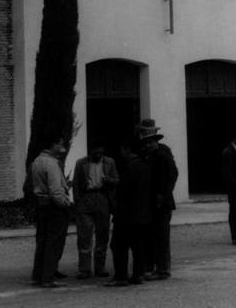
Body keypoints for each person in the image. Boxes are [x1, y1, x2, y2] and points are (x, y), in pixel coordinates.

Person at [136, 119, 179, 280]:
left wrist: (163, 195)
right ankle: (149, 265)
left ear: (156, 140)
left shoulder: (163, 153)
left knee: (161, 236)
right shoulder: (144, 154)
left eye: (150, 141)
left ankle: (162, 269)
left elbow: (172, 175)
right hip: (148, 202)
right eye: (145, 140)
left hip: (161, 202)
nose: (147, 144)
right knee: (148, 235)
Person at [106, 138, 151, 287]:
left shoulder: (130, 167)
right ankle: (138, 274)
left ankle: (121, 276)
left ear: (127, 149)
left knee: (118, 245)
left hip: (127, 214)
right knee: (138, 246)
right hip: (142, 213)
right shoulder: (144, 165)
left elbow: (124, 192)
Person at [72, 141, 119, 279]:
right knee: (84, 236)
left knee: (102, 235)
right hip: (86, 198)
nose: (98, 155)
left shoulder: (109, 162)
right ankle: (84, 269)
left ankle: (100, 268)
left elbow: (117, 180)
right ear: (90, 151)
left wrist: (109, 180)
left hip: (103, 198)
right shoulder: (81, 163)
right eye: (95, 153)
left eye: (101, 153)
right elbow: (76, 183)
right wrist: (78, 202)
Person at [30, 135, 72, 288]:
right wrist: (66, 204)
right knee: (54, 242)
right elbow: (55, 191)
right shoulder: (51, 163)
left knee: (42, 240)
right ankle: (48, 277)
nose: (62, 146)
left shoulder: (37, 161)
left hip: (42, 204)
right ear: (52, 145)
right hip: (54, 207)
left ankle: (38, 275)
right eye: (59, 143)